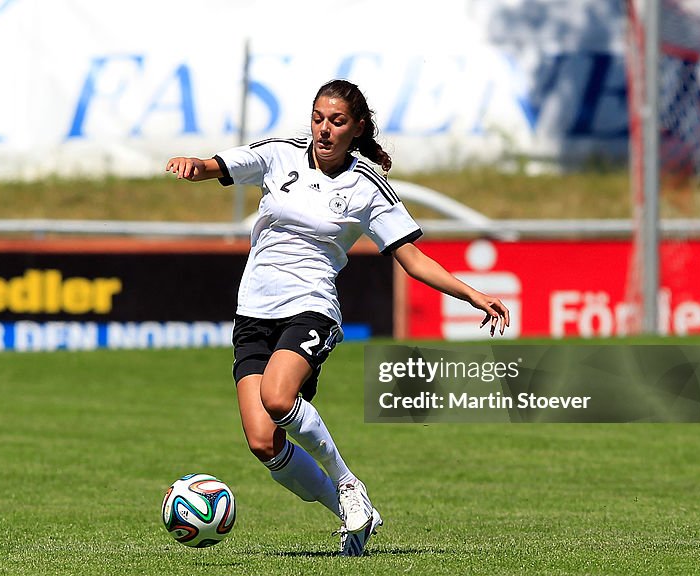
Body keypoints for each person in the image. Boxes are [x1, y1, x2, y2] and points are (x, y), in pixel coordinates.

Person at [165, 79, 510, 556]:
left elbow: (412, 258)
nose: (324, 130)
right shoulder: (281, 154)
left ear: (357, 128)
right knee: (263, 442)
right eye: (318, 119)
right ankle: (354, 513)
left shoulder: (366, 185)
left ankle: (348, 483)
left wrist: (470, 292)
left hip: (311, 308)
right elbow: (219, 165)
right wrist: (193, 165)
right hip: (253, 311)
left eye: (337, 122)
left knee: (277, 396)